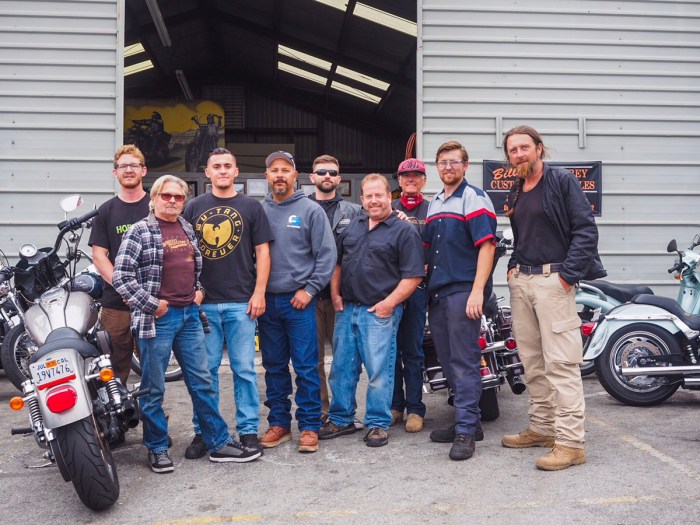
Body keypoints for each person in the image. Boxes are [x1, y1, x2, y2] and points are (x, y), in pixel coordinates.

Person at [113, 175, 261, 473]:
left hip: (191, 316)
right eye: (166, 195)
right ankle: (157, 447)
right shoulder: (140, 231)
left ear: (184, 201)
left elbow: (193, 269)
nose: (172, 201)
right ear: (154, 198)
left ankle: (218, 443)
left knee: (202, 382)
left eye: (178, 197)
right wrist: (152, 304)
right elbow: (121, 277)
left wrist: (199, 291)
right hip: (158, 319)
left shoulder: (186, 228)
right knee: (153, 388)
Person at [501, 125, 606, 471]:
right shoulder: (518, 187)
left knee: (561, 364)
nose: (519, 154)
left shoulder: (561, 181)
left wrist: (566, 277)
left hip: (553, 281)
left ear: (539, 148)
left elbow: (585, 230)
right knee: (532, 362)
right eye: (513, 150)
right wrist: (513, 267)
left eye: (524, 147)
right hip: (523, 282)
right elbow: (523, 236)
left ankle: (571, 444)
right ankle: (543, 428)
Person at [319, 174, 424, 448]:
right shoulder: (353, 226)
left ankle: (378, 423)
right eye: (369, 196)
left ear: (389, 196)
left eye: (379, 195)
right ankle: (341, 419)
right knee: (341, 369)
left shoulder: (404, 231)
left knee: (379, 371)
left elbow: (413, 276)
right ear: (362, 199)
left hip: (379, 313)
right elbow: (337, 263)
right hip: (347, 310)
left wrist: (389, 304)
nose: (374, 200)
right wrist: (335, 294)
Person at [181, 148, 273, 459]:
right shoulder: (193, 207)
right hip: (203, 305)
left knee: (244, 370)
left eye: (227, 166)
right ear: (207, 173)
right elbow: (182, 253)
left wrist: (259, 292)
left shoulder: (251, 207)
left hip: (241, 302)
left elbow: (263, 252)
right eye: (216, 166)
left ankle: (248, 431)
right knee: (205, 373)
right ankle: (205, 432)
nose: (222, 170)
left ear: (236, 172)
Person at [258, 151, 336, 453]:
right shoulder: (258, 210)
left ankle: (309, 425)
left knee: (306, 366)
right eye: (274, 170)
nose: (280, 175)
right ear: (267, 176)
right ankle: (279, 424)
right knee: (274, 367)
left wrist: (310, 289)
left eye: (285, 170)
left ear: (295, 176)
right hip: (267, 303)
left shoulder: (310, 210)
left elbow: (327, 255)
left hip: (299, 303)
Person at [424, 141, 497, 461]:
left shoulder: (474, 197)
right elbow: (429, 250)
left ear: (465, 166)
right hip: (438, 292)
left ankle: (466, 431)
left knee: (465, 361)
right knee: (447, 359)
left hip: (463, 291)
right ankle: (469, 422)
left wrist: (477, 291)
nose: (448, 167)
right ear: (437, 167)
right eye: (443, 162)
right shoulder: (435, 202)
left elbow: (487, 246)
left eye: (454, 162)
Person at [89, 145, 150, 385]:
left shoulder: (157, 206)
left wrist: (140, 294)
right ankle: (119, 410)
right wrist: (126, 289)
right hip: (116, 304)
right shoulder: (106, 211)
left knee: (153, 369)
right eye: (123, 166)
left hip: (152, 302)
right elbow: (99, 256)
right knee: (113, 373)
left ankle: (152, 410)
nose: (128, 170)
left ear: (143, 170)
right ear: (115, 172)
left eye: (134, 165)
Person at [307, 154, 362, 423]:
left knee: (344, 359)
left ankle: (343, 412)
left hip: (343, 298)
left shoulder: (355, 212)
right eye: (321, 172)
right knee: (313, 360)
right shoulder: (301, 209)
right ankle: (321, 410)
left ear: (339, 179)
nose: (326, 176)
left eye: (331, 172)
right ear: (312, 177)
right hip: (309, 296)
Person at [390, 158, 430, 433]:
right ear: (399, 180)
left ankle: (415, 408)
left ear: (424, 180)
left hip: (418, 289)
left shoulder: (433, 209)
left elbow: (439, 246)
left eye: (416, 175)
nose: (411, 180)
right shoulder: (389, 208)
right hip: (391, 289)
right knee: (391, 350)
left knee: (413, 350)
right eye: (406, 176)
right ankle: (395, 405)